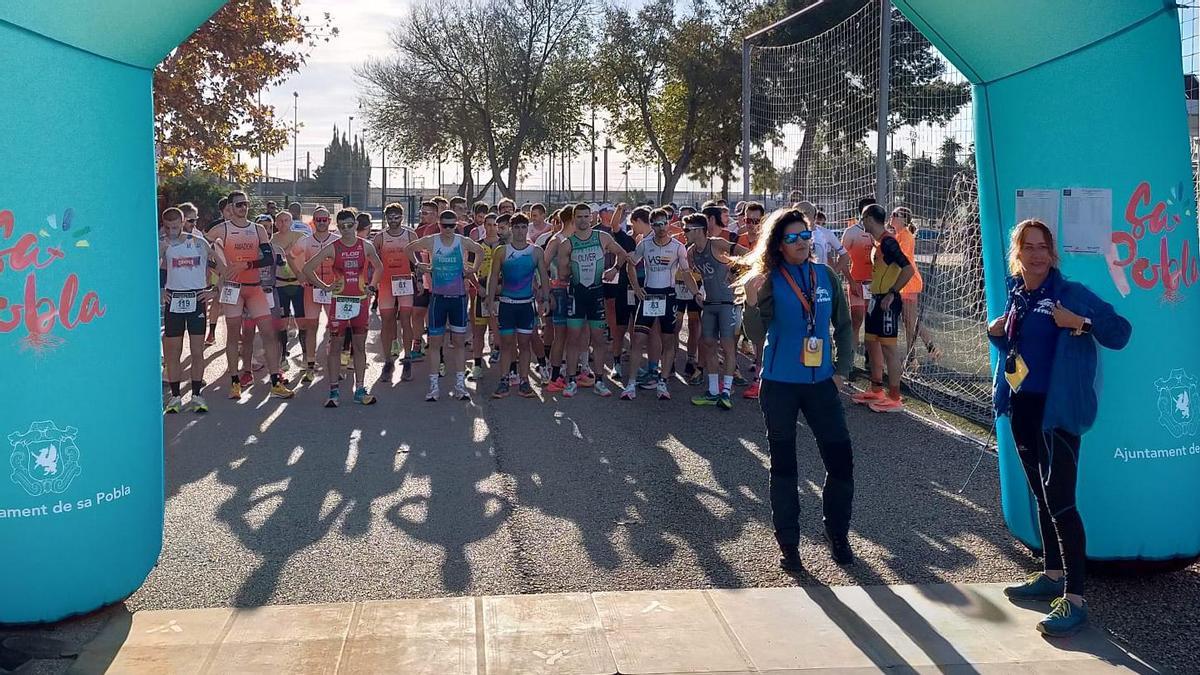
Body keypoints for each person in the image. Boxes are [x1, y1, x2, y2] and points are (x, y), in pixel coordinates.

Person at [989, 219, 1130, 637]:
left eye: (1042, 248)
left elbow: (1120, 333)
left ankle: (1075, 599)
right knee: (1040, 494)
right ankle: (1051, 574)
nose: (1035, 254)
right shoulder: (1019, 295)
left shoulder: (1070, 294)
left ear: (1053, 255)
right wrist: (998, 334)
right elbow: (1020, 348)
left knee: (1062, 502)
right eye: (1027, 247)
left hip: (1060, 413)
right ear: (1017, 255)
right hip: (1023, 407)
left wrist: (1080, 323)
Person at [740, 207, 855, 571]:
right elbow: (755, 337)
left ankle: (837, 533)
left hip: (821, 383)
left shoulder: (825, 276)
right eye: (791, 238)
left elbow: (845, 325)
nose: (801, 242)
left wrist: (841, 371)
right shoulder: (768, 280)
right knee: (784, 467)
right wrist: (751, 302)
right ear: (778, 244)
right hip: (780, 385)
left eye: (805, 235)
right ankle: (788, 543)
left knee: (841, 460)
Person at [204, 191, 294, 400]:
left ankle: (275, 382)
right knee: (234, 334)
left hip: (255, 288)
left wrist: (247, 264)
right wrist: (219, 268)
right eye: (238, 205)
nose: (243, 208)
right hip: (233, 289)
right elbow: (202, 247)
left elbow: (267, 258)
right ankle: (235, 382)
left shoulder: (257, 229)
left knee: (268, 333)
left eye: (245, 204)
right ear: (230, 208)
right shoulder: (222, 229)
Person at [302, 209, 385, 407]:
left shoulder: (366, 246)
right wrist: (325, 286)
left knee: (358, 346)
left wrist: (372, 286)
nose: (346, 229)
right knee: (336, 346)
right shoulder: (333, 247)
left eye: (350, 225)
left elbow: (379, 267)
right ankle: (333, 391)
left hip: (360, 301)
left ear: (356, 225)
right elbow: (307, 269)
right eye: (342, 226)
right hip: (339, 302)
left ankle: (361, 389)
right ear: (338, 227)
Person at [406, 209, 485, 401]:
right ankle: (433, 387)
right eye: (445, 225)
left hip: (458, 298)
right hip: (438, 298)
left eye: (452, 225)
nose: (448, 229)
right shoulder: (432, 241)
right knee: (435, 344)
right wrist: (419, 265)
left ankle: (460, 386)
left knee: (459, 343)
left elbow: (480, 250)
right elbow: (409, 248)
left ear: (456, 225)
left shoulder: (461, 241)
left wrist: (473, 269)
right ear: (439, 225)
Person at [622, 210, 701, 401]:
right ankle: (630, 384)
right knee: (638, 338)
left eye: (664, 223)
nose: (661, 228)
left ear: (669, 223)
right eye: (656, 224)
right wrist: (636, 288)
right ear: (652, 226)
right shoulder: (645, 244)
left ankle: (662, 382)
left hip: (669, 295)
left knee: (668, 340)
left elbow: (686, 273)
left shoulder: (677, 246)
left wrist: (696, 293)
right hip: (649, 295)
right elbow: (630, 264)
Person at [558, 203, 631, 398]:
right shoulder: (567, 243)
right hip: (576, 294)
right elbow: (562, 273)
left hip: (597, 293)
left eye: (586, 216)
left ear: (591, 217)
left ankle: (599, 380)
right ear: (573, 219)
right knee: (572, 339)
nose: (583, 220)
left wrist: (614, 269)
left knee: (598, 339)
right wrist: (567, 272)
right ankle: (571, 380)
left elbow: (622, 254)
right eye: (579, 217)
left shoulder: (602, 237)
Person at [160, 208, 226, 414]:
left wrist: (214, 291)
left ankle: (197, 395)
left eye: (176, 226)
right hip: (174, 301)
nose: (172, 231)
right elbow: (149, 269)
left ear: (183, 223)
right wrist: (161, 290)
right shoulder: (163, 245)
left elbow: (222, 268)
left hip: (196, 299)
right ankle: (175, 397)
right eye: (168, 227)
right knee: (173, 352)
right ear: (164, 225)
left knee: (197, 351)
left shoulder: (198, 243)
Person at [850, 204, 913, 412]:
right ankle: (876, 389)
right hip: (875, 300)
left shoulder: (888, 242)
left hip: (887, 302)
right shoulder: (878, 243)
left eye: (862, 218)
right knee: (871, 343)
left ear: (869, 218)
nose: (861, 222)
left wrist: (892, 293)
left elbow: (908, 269)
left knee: (888, 348)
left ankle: (895, 398)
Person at [689, 214, 749, 409]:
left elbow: (746, 254)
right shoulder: (691, 252)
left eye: (688, 229)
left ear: (699, 230)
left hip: (726, 303)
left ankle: (726, 392)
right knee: (708, 345)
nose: (684, 232)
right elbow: (686, 273)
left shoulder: (716, 244)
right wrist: (696, 292)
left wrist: (735, 274)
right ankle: (713, 391)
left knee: (728, 346)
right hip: (709, 304)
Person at [486, 213, 549, 398]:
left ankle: (524, 381)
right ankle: (504, 380)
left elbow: (543, 277)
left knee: (525, 343)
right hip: (507, 304)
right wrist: (490, 301)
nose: (520, 231)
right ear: (511, 229)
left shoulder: (535, 251)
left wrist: (545, 299)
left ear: (527, 229)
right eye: (517, 227)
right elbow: (492, 277)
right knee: (506, 344)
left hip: (526, 305)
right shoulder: (502, 251)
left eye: (523, 227)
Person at [889, 207, 942, 369]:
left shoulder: (906, 236)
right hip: (902, 283)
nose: (891, 217)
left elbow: (900, 259)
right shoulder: (897, 235)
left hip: (909, 282)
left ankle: (912, 359)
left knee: (910, 322)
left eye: (895, 215)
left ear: (904, 220)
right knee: (910, 320)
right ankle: (931, 349)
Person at [374, 202, 419, 383]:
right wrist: (371, 283)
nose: (393, 221)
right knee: (387, 321)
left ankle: (407, 358)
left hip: (405, 281)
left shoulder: (410, 234)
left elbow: (417, 259)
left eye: (397, 217)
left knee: (406, 319)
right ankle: (387, 360)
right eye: (390, 218)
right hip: (385, 284)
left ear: (402, 217)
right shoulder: (380, 237)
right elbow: (372, 260)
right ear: (386, 219)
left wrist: (421, 279)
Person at [295, 207, 338, 383]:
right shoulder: (306, 241)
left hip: (332, 289)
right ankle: (310, 366)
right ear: (313, 222)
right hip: (312, 288)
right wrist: (299, 274)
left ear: (329, 221)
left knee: (335, 327)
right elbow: (291, 256)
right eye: (318, 220)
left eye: (324, 220)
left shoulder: (336, 240)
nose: (321, 223)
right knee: (311, 327)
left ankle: (335, 365)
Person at [841, 196, 878, 366]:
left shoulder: (881, 232)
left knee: (873, 322)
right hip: (856, 282)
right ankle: (850, 361)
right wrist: (851, 281)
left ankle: (871, 359)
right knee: (856, 319)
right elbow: (841, 260)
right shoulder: (851, 232)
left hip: (875, 285)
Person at [738, 202, 767, 400]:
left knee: (761, 338)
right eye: (748, 220)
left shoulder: (768, 240)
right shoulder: (738, 238)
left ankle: (760, 379)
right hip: (743, 294)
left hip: (765, 294)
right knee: (736, 335)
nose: (752, 224)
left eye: (756, 221)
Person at [469, 214, 502, 380]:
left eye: (494, 224)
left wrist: (502, 287)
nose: (491, 228)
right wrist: (478, 287)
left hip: (501, 293)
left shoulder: (505, 245)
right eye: (487, 225)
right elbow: (469, 270)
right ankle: (477, 365)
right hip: (482, 291)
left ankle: (507, 364)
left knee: (501, 331)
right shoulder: (477, 246)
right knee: (478, 332)